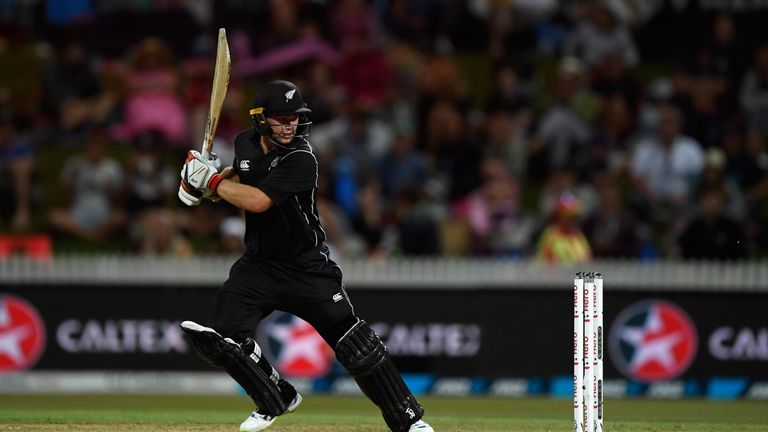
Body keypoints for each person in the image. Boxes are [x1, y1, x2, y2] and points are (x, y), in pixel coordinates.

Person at [176, 80, 434, 432]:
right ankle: (275, 397)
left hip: (307, 268)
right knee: (220, 336)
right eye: (282, 119)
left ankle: (410, 422)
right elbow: (239, 179)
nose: (290, 126)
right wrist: (206, 182)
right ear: (261, 120)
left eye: (294, 119)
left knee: (357, 347)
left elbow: (258, 201)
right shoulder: (245, 144)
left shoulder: (301, 159)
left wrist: (213, 183)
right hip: (259, 265)